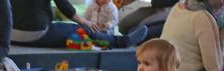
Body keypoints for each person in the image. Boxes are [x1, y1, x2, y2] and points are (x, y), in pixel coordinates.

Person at [8, 0, 147, 48]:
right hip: (35, 33)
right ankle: (122, 41)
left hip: (10, 35)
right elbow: (63, 4)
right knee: (81, 30)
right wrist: (83, 22)